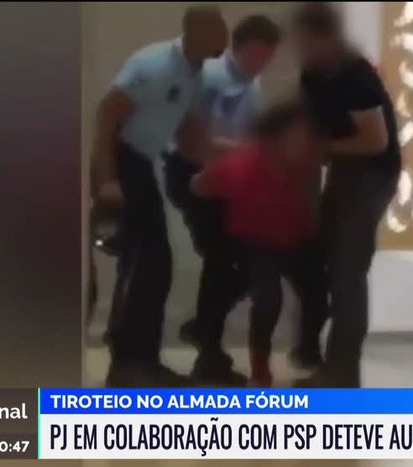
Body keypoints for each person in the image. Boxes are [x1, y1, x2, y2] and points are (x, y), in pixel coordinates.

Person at [89, 5, 228, 388]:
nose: (225, 38)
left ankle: (138, 362)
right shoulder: (154, 65)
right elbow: (106, 116)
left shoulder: (194, 73)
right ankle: (130, 365)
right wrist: (107, 181)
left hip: (139, 162)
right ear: (197, 31)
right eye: (219, 30)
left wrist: (231, 161)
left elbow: (190, 136)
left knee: (153, 261)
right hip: (119, 159)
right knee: (148, 260)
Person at [165, 14, 283, 386]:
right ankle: (208, 347)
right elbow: (193, 141)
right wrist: (251, 154)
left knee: (239, 262)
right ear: (240, 47)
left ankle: (205, 333)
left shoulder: (252, 83)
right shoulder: (210, 76)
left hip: (227, 178)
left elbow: (250, 138)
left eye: (268, 58)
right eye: (258, 56)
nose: (262, 64)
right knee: (224, 258)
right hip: (193, 173)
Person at [290, 3, 402, 387]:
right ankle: (319, 357)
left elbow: (375, 141)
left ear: (327, 38)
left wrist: (320, 150)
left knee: (347, 270)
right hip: (343, 170)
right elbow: (313, 132)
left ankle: (342, 372)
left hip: (373, 174)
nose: (302, 48)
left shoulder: (356, 77)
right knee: (323, 260)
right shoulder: (312, 76)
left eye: (308, 41)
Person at [189, 101, 328, 387]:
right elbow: (199, 186)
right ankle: (260, 366)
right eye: (298, 136)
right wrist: (212, 232)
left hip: (294, 239)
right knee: (268, 297)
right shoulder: (240, 164)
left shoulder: (306, 164)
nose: (305, 143)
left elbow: (312, 207)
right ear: (275, 136)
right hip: (254, 241)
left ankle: (308, 351)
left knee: (318, 290)